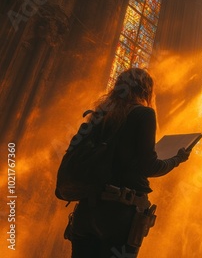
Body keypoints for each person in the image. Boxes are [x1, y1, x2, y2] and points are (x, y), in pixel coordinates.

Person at [68, 68, 190, 258]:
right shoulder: (144, 114)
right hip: (119, 216)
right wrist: (177, 159)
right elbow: (149, 166)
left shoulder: (100, 114)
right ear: (146, 91)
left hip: (86, 212)